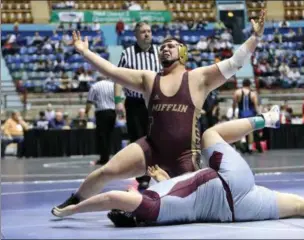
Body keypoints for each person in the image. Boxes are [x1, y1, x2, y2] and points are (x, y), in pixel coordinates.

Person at [52, 10, 267, 218]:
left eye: (171, 46)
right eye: (163, 46)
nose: (165, 48)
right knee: (106, 171)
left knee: (188, 203)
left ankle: (136, 211)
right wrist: (85, 52)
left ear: (183, 53)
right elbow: (112, 72)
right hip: (151, 147)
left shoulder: (198, 78)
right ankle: (74, 200)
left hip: (185, 156)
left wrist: (255, 37)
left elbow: (235, 63)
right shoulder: (149, 79)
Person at [52, 106, 304, 226]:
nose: (131, 189)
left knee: (301, 206)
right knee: (210, 133)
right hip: (227, 181)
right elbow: (112, 199)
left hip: (238, 211)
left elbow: (174, 187)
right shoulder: (148, 204)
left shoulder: (157, 204)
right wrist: (69, 211)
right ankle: (268, 119)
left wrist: (157, 179)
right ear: (131, 212)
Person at [114, 22, 161, 190]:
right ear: (136, 35)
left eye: (149, 31)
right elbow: (118, 77)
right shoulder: (127, 54)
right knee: (138, 139)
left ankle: (160, 171)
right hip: (135, 104)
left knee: (158, 137)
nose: (147, 34)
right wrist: (118, 101)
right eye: (143, 32)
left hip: (156, 102)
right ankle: (143, 176)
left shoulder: (160, 53)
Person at [86, 76, 116, 165]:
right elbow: (119, 98)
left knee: (102, 136)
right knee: (109, 135)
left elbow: (89, 101)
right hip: (112, 112)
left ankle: (104, 159)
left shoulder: (95, 86)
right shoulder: (113, 85)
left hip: (101, 113)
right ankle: (108, 157)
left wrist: (86, 112)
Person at [232, 79, 261, 153]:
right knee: (250, 132)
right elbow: (256, 106)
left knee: (241, 131)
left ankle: (242, 147)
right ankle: (250, 148)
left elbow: (234, 104)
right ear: (249, 85)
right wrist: (259, 114)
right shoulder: (253, 94)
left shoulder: (237, 92)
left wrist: (233, 112)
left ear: (242, 84)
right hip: (251, 114)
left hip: (241, 114)